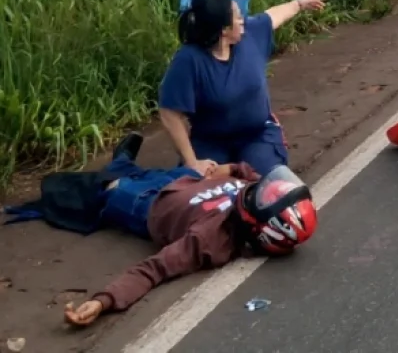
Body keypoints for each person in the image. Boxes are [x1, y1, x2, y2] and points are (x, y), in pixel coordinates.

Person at [62, 133, 317, 328]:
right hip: (185, 180)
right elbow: (248, 172)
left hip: (148, 204)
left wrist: (103, 301)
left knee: (107, 186)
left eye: (263, 196)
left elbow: (154, 269)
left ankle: (118, 166)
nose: (259, 188)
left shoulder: (209, 240)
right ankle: (122, 161)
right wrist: (227, 169)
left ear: (258, 228)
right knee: (145, 172)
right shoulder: (258, 194)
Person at [158, 0, 326, 178]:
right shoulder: (189, 60)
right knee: (204, 187)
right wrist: (192, 162)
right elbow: (170, 112)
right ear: (223, 29)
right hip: (210, 142)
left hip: (257, 135)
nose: (242, 20)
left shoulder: (250, 35)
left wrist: (300, 3)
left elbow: (272, 16)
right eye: (237, 17)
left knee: (266, 182)